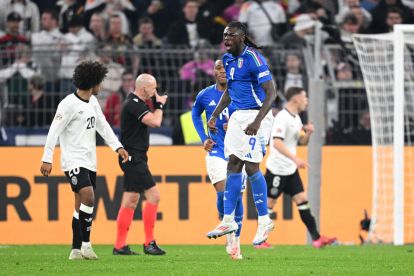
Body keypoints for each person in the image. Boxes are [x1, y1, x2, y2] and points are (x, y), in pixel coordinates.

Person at [40, 61, 129, 260]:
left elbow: (103, 126)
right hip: (73, 160)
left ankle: (75, 249)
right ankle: (87, 245)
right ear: (93, 83)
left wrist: (118, 147)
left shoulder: (93, 103)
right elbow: (54, 131)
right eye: (100, 82)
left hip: (90, 160)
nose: (102, 86)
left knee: (80, 205)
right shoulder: (68, 104)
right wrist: (47, 158)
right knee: (88, 196)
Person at [206, 21, 276, 246]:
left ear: (242, 37)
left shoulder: (254, 59)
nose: (226, 39)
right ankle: (228, 220)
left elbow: (271, 93)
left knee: (251, 166)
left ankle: (264, 220)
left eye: (231, 35)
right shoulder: (227, 59)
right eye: (225, 35)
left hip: (257, 115)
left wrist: (258, 121)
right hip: (238, 116)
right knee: (233, 165)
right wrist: (215, 114)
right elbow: (230, 90)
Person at [265, 86, 336, 248]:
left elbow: (300, 142)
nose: (307, 101)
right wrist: (296, 159)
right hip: (277, 169)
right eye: (305, 97)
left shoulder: (296, 118)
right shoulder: (282, 117)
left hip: (290, 169)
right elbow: (276, 142)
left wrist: (308, 133)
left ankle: (317, 239)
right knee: (269, 204)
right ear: (296, 99)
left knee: (302, 200)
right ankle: (260, 240)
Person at [192, 59, 244, 260]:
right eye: (218, 67)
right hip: (216, 151)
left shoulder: (241, 93)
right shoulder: (205, 95)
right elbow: (196, 115)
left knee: (237, 196)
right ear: (213, 72)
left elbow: (252, 118)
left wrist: (235, 126)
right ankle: (225, 223)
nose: (222, 70)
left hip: (238, 152)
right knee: (224, 192)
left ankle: (235, 239)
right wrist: (204, 138)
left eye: (225, 67)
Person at [113, 73, 168, 256]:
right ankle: (149, 243)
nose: (155, 92)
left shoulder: (135, 103)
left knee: (130, 199)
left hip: (134, 157)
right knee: (154, 195)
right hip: (133, 157)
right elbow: (155, 122)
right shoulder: (133, 104)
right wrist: (160, 105)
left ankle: (120, 245)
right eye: (153, 88)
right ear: (144, 88)